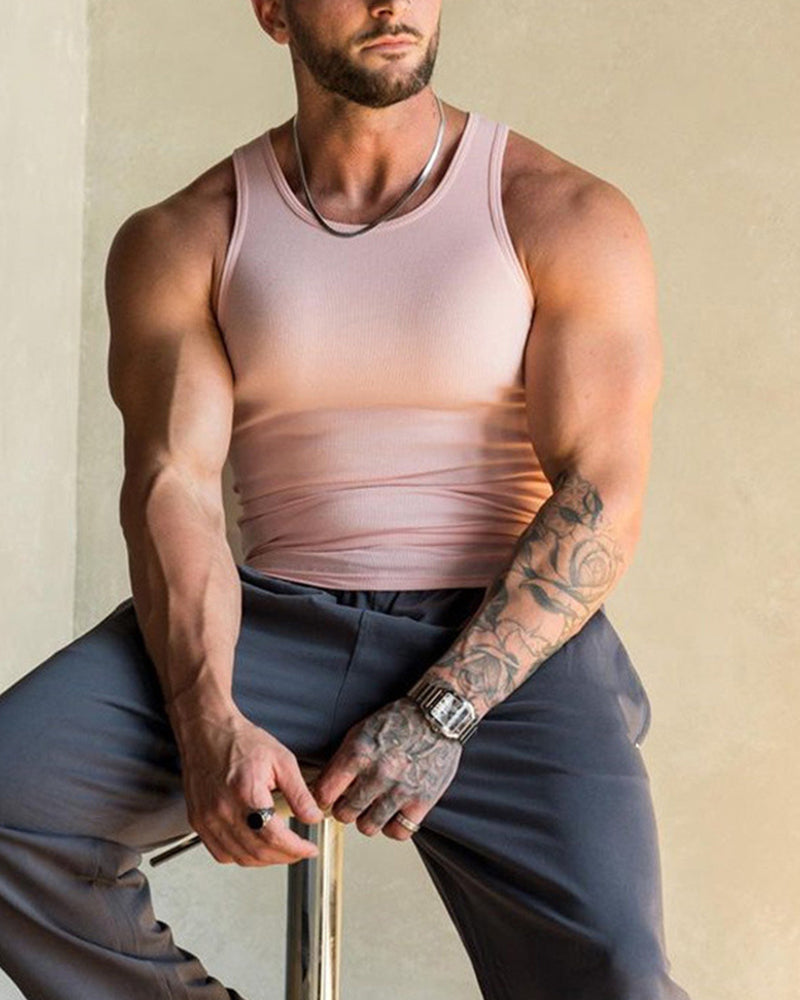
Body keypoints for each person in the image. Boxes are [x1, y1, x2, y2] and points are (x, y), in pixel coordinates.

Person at [0, 1, 693, 998]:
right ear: (273, 11)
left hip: (500, 641)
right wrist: (206, 717)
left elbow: (601, 492)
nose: (389, 4)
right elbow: (173, 486)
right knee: (11, 800)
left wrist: (442, 713)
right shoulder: (185, 235)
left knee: (617, 976)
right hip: (272, 622)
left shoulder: (562, 213)